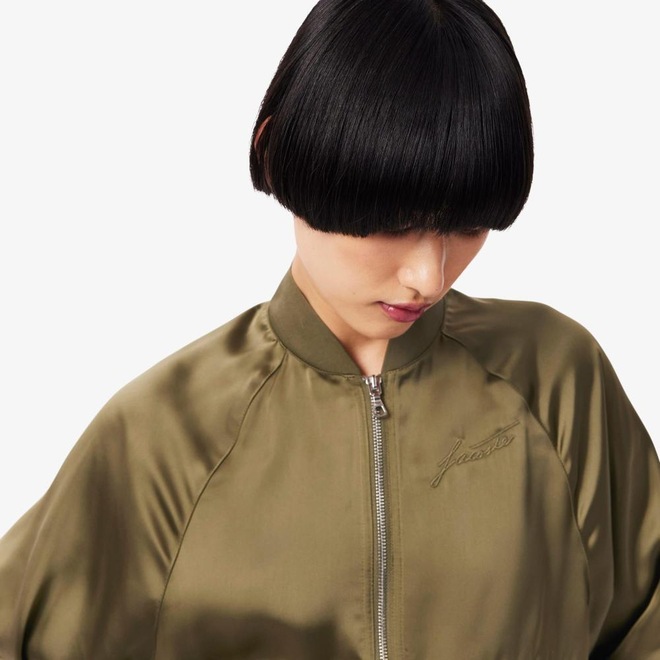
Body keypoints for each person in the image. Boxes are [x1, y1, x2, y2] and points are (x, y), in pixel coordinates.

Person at [1, 0, 659, 657]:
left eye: (466, 224)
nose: (428, 275)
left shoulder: (554, 380)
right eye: (393, 222)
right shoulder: (162, 435)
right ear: (275, 152)